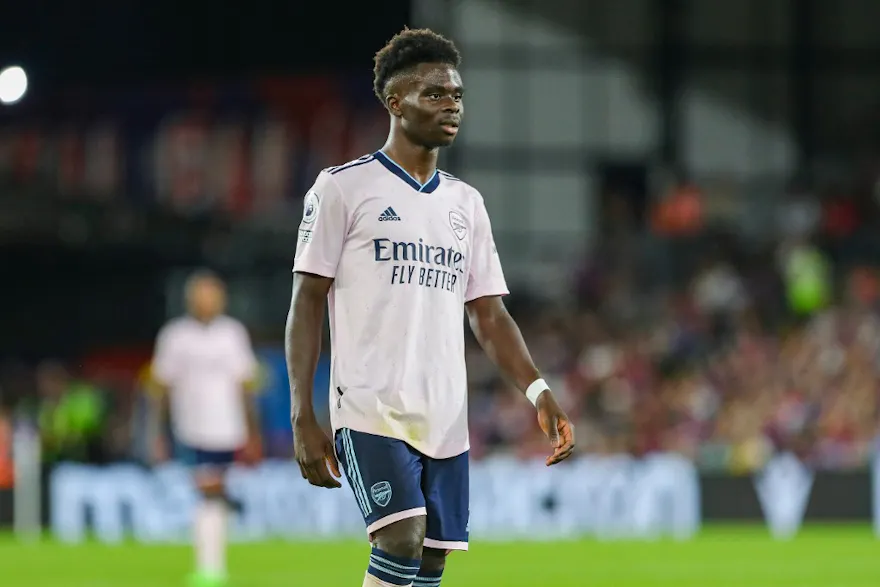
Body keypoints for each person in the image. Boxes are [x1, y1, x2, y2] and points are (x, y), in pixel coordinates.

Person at [286, 28, 575, 587]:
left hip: (444, 412)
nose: (452, 106)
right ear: (395, 103)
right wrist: (303, 412)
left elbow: (488, 314)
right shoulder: (342, 189)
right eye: (436, 94)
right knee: (401, 538)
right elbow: (307, 300)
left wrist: (539, 392)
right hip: (369, 406)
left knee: (430, 561)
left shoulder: (466, 204)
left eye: (458, 95)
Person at [150, 270, 260, 587]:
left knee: (211, 493)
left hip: (228, 428)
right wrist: (157, 434)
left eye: (212, 295)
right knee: (208, 492)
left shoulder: (232, 334)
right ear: (190, 299)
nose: (207, 302)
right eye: (201, 295)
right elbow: (162, 388)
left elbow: (245, 386)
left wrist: (254, 433)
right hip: (190, 428)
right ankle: (210, 566)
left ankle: (211, 566)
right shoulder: (175, 336)